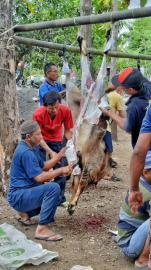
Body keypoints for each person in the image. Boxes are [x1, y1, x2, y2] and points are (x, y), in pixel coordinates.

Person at [7, 120, 72, 241]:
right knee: (53, 188)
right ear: (28, 137)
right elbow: (40, 177)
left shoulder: (32, 147)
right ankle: (42, 229)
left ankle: (24, 214)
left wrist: (58, 156)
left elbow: (43, 167)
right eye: (38, 134)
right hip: (19, 196)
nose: (41, 137)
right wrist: (61, 170)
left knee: (56, 197)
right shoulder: (26, 152)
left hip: (23, 194)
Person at [33, 90, 74, 205]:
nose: (55, 111)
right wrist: (50, 152)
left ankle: (59, 198)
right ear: (44, 106)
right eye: (51, 108)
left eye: (57, 107)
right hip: (41, 139)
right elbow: (37, 136)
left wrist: (70, 144)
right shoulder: (38, 114)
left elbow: (67, 130)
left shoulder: (65, 110)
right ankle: (40, 196)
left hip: (56, 139)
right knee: (38, 168)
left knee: (60, 167)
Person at [100, 67, 151, 148]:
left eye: (122, 87)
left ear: (130, 90)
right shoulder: (147, 86)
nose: (120, 88)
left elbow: (127, 126)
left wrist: (110, 113)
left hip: (144, 149)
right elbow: (139, 76)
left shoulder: (134, 106)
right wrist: (112, 87)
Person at [117, 151, 151, 270]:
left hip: (132, 238)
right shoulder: (145, 191)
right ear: (145, 172)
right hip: (129, 246)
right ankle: (143, 260)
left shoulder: (140, 182)